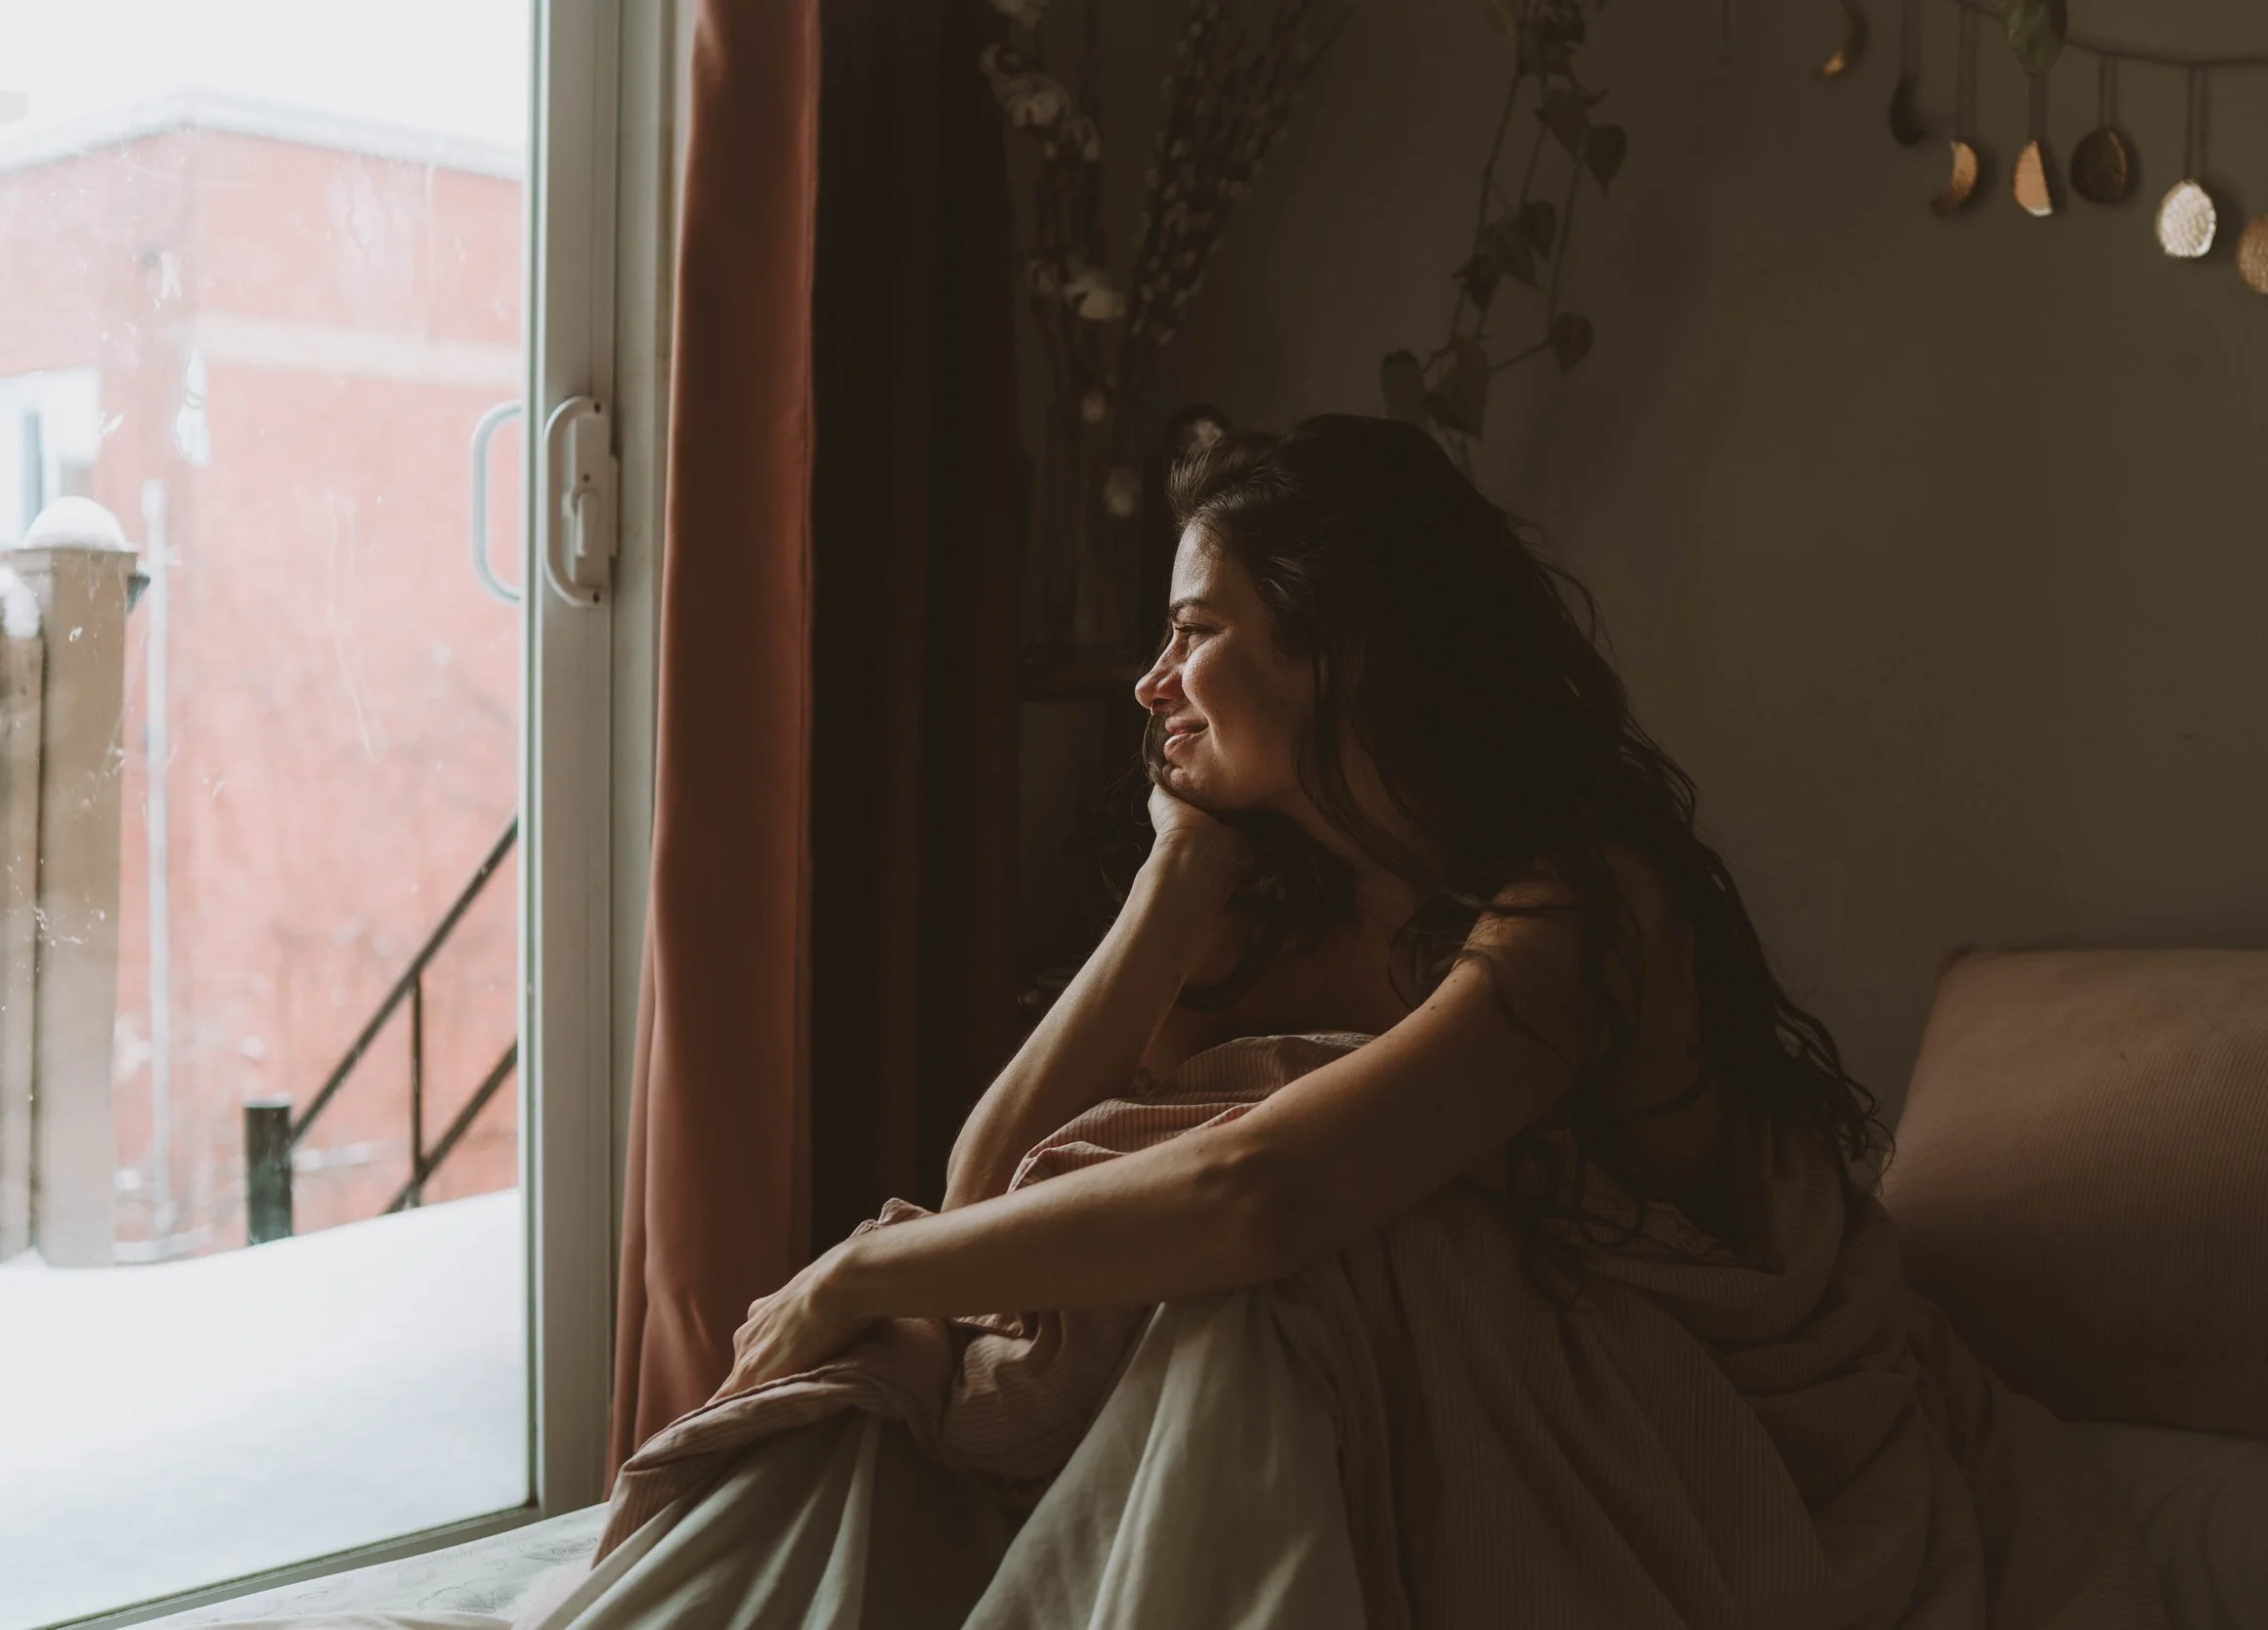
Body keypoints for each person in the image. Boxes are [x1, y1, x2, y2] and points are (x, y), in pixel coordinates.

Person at [519, 416, 2164, 1629]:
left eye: (1196, 631)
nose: (1151, 683)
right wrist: (1171, 889)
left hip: (1725, 1441)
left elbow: (1262, 1200)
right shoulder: (1281, 890)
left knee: (1308, 1271)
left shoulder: (1575, 904)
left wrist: (851, 1264)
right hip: (1445, 1377)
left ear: (1337, 646)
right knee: (916, 1356)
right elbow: (997, 1189)